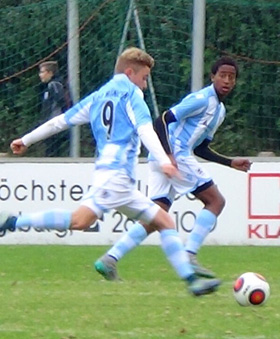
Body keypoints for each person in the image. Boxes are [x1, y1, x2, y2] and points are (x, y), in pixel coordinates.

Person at [0, 47, 221, 296]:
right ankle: (191, 280)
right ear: (130, 72)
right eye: (144, 78)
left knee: (94, 221)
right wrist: (164, 160)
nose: (145, 85)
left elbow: (61, 121)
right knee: (152, 220)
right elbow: (146, 130)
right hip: (116, 177)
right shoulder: (132, 94)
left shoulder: (99, 95)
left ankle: (13, 222)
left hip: (109, 174)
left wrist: (27, 139)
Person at [94, 56, 251, 281]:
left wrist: (229, 162)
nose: (226, 80)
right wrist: (168, 155)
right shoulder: (202, 99)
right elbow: (162, 120)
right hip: (174, 155)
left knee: (156, 216)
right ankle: (189, 255)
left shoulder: (219, 110)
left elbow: (202, 148)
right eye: (222, 75)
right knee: (216, 201)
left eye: (231, 77)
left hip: (165, 157)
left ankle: (110, 259)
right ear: (212, 77)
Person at [38, 61, 69, 157]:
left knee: (52, 152)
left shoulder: (54, 84)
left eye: (42, 72)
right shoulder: (50, 85)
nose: (40, 75)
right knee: (51, 151)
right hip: (50, 123)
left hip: (53, 124)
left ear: (50, 73)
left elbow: (62, 101)